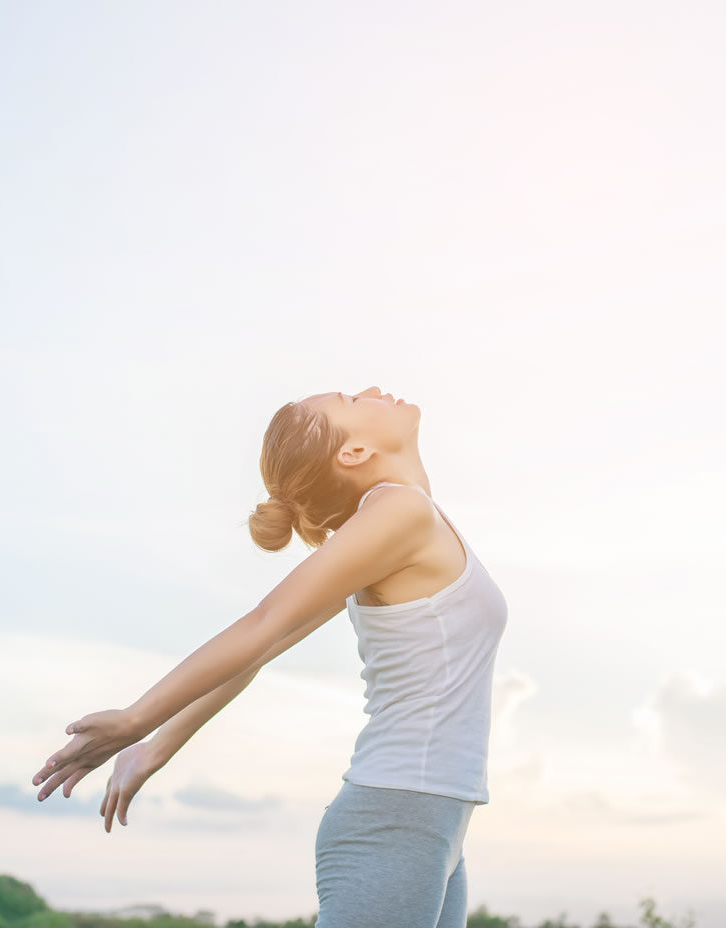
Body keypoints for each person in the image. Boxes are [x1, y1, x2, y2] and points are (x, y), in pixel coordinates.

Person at [32, 386, 509, 928]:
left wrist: (155, 747)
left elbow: (262, 650)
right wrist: (139, 719)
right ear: (352, 453)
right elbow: (265, 625)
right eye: (352, 400)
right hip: (396, 817)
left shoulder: (398, 527)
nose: (373, 390)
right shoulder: (401, 512)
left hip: (432, 821)